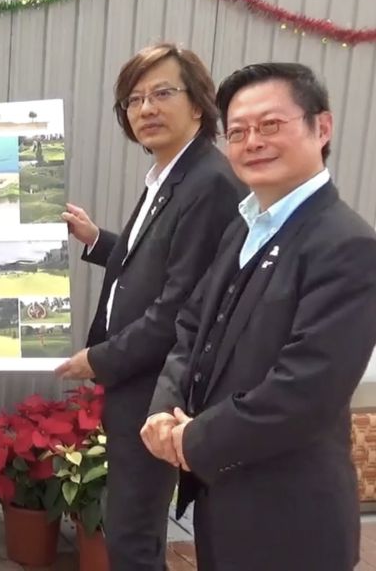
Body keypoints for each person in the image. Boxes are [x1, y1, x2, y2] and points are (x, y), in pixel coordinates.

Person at [142, 62, 376, 571]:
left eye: (270, 125)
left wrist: (192, 440)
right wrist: (165, 406)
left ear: (322, 127)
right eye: (238, 131)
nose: (253, 142)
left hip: (291, 517)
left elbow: (306, 388)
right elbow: (192, 327)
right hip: (224, 500)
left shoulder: (347, 244)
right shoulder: (245, 227)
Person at [55, 43, 243, 571]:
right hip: (138, 383)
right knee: (129, 527)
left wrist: (99, 360)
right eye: (134, 100)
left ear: (199, 104)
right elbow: (156, 263)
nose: (146, 109)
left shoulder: (209, 182)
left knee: (132, 534)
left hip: (155, 386)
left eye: (162, 93)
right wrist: (97, 241)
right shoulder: (170, 174)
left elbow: (178, 308)